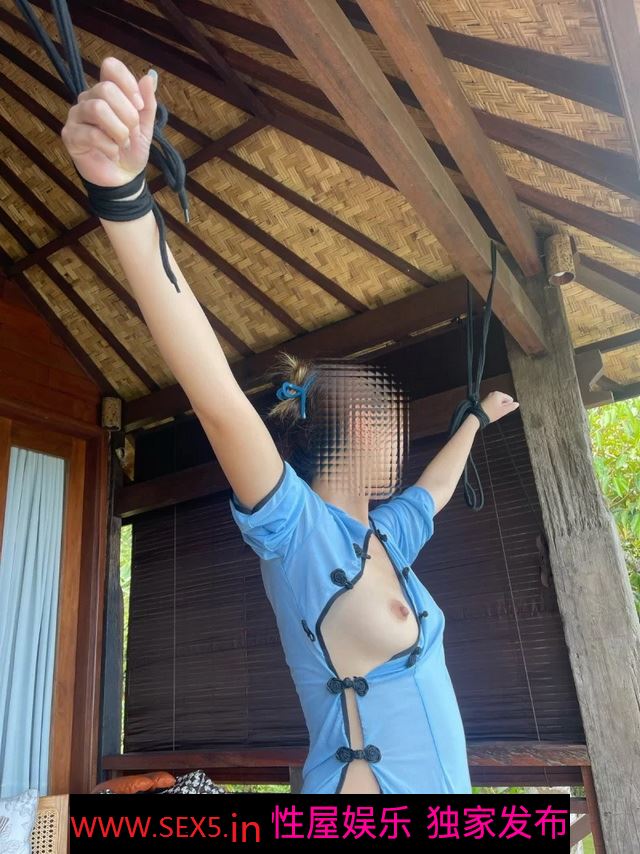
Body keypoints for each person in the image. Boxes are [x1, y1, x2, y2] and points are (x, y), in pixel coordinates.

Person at [60, 57, 520, 794]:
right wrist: (122, 195)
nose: (405, 439)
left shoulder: (385, 537)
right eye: (394, 421)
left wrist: (475, 420)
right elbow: (218, 398)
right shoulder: (300, 534)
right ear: (362, 429)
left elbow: (434, 492)